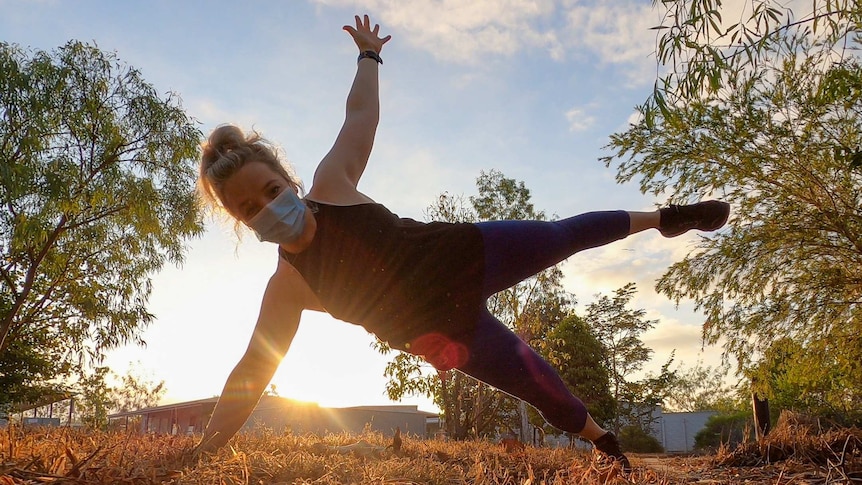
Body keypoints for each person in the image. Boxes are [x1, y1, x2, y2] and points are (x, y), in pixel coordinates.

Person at [193, 14, 730, 470]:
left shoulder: (332, 185)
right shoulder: (288, 288)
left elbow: (360, 118)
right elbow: (252, 371)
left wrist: (369, 57)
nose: (268, 208)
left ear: (288, 180)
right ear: (242, 223)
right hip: (446, 330)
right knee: (534, 381)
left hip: (467, 252)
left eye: (271, 190)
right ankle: (603, 443)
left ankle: (665, 217)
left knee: (563, 235)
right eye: (249, 208)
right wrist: (205, 450)